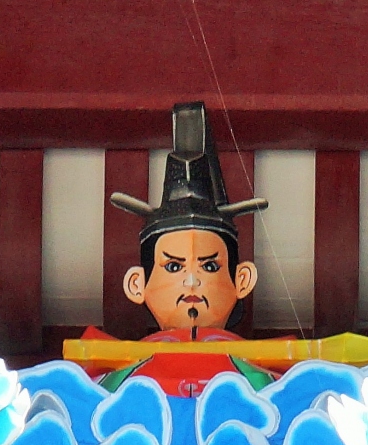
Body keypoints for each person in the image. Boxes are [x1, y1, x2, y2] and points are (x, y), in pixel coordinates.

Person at [83, 101, 272, 395]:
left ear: (242, 279)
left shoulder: (270, 376)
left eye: (210, 266)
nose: (192, 280)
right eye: (173, 266)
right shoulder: (109, 379)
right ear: (137, 284)